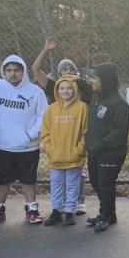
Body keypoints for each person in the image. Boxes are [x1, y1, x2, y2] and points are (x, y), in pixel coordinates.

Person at [0, 55, 47, 226]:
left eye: (16, 70)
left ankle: (32, 210)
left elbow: (43, 116)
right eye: (9, 70)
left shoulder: (36, 92)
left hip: (27, 146)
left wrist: (31, 135)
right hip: (2, 144)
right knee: (1, 180)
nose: (12, 74)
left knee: (28, 180)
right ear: (3, 71)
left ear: (23, 71)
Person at [32, 36, 92, 214]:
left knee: (76, 172)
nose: (66, 72)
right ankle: (59, 206)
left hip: (76, 137)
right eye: (63, 70)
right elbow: (35, 70)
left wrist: (79, 80)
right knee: (58, 177)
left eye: (70, 69)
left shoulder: (83, 89)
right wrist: (46, 49)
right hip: (58, 138)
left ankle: (76, 202)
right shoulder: (54, 87)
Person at [84, 63, 129, 232]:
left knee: (105, 183)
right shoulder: (95, 97)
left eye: (95, 78)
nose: (92, 81)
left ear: (105, 80)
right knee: (97, 183)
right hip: (94, 151)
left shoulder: (120, 104)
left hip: (111, 152)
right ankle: (109, 214)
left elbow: (119, 132)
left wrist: (99, 144)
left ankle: (106, 216)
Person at [40, 77, 88, 226]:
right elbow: (45, 132)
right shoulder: (51, 109)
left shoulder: (82, 108)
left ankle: (69, 212)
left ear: (74, 89)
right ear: (57, 90)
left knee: (73, 185)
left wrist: (79, 150)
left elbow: (86, 132)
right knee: (56, 185)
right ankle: (56, 212)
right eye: (62, 88)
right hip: (56, 157)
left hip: (74, 157)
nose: (65, 91)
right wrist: (50, 149)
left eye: (69, 88)